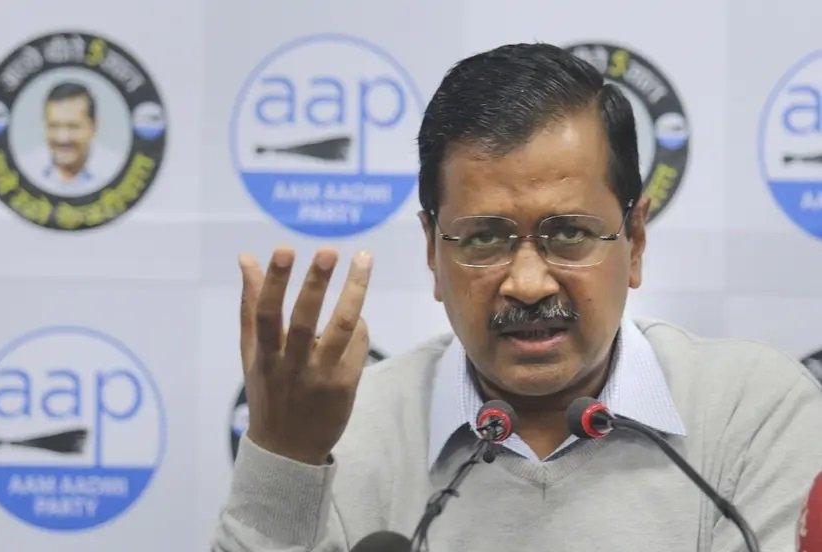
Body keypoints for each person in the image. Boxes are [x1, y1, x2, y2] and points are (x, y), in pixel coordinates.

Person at [212, 43, 822, 551]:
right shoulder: (343, 429)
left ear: (634, 240)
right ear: (432, 251)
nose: (528, 284)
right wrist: (284, 459)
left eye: (571, 234)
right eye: (483, 238)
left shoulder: (750, 412)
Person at [20, 81, 122, 197]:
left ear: (93, 127)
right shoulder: (24, 170)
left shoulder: (117, 172)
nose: (63, 138)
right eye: (54, 126)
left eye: (73, 127)